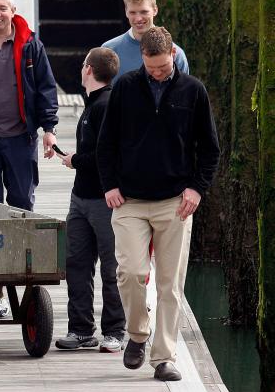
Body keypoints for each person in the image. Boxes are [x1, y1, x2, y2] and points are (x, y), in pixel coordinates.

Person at [97, 27, 220, 381]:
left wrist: (196, 189)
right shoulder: (124, 87)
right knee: (130, 272)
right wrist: (109, 185)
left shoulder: (193, 90)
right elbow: (106, 144)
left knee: (170, 284)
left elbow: (209, 150)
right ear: (143, 61)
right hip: (130, 200)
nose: (157, 73)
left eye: (163, 67)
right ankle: (137, 334)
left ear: (173, 56)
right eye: (151, 68)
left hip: (175, 202)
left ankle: (164, 356)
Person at [0, 0, 59, 318]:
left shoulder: (31, 45)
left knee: (22, 206)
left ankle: (26, 281)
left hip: (21, 137)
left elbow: (46, 88)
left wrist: (48, 130)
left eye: (3, 8)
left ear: (13, 10)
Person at [54, 47, 125, 352]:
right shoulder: (91, 104)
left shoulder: (106, 104)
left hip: (105, 201)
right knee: (77, 264)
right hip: (79, 199)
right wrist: (67, 156)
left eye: (83, 65)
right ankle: (81, 329)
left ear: (88, 70)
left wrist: (75, 161)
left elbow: (107, 155)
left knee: (112, 268)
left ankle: (116, 331)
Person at [102, 0, 189, 82]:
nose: (138, 18)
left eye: (144, 12)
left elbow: (184, 95)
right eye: (133, 12)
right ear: (126, 12)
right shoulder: (109, 51)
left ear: (155, 10)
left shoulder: (175, 54)